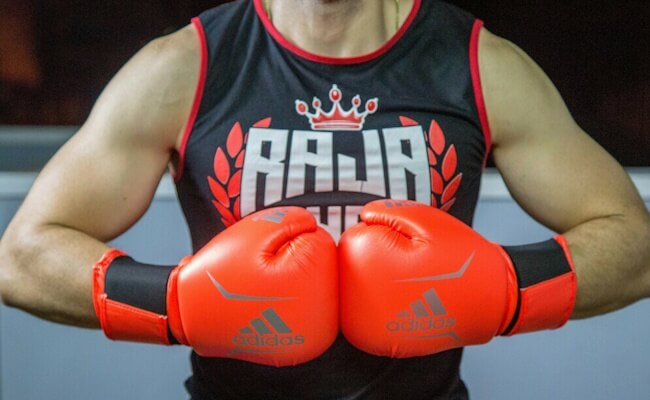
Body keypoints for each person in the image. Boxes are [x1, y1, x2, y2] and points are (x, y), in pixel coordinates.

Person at [1, 0, 648, 398]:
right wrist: (175, 303)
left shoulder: (478, 66)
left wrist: (505, 289)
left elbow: (635, 245)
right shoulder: (188, 67)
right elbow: (22, 259)